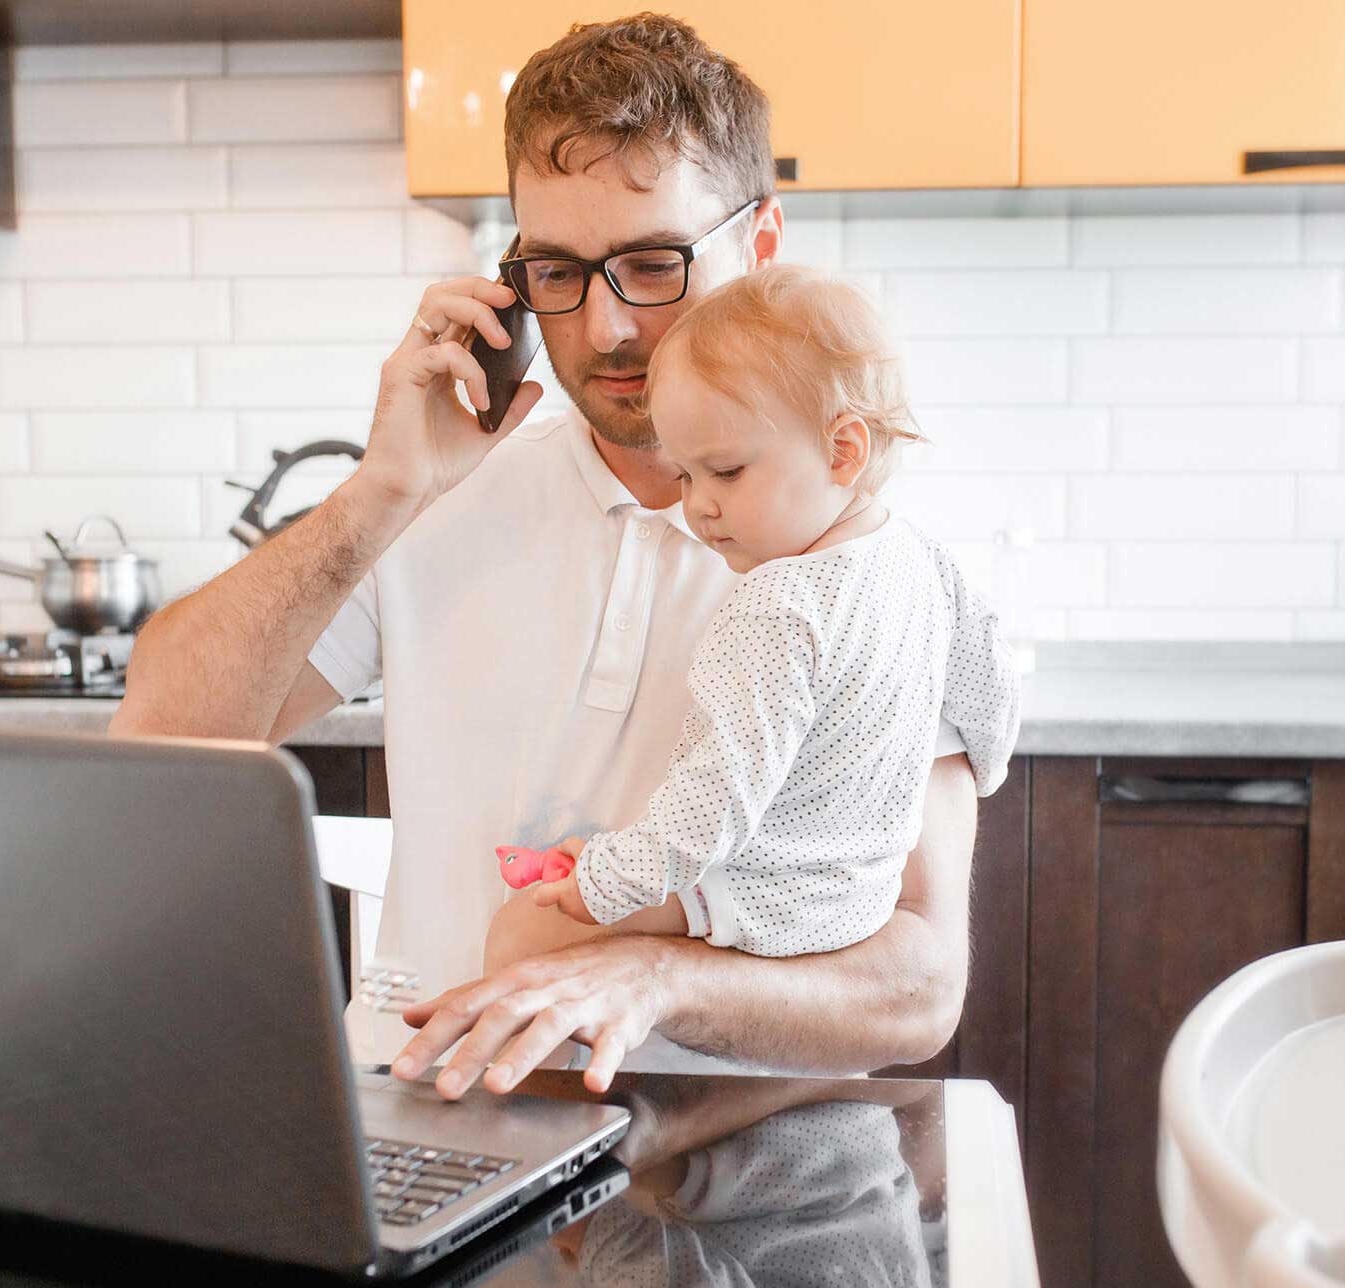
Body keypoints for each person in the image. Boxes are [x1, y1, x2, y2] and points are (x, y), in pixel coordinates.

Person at [108, 14, 981, 1099]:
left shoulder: (877, 565)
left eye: (654, 263)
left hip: (738, 1157)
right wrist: (381, 495)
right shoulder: (433, 501)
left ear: (760, 244)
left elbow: (920, 985)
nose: (607, 325)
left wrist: (652, 978)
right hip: (431, 1120)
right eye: (557, 272)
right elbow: (159, 737)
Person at [495, 266, 1019, 969]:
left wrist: (602, 880)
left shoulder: (776, 606)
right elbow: (992, 697)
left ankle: (495, 1079)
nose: (698, 505)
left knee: (524, 932)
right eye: (685, 475)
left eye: (727, 471)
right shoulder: (923, 559)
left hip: (772, 899)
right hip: (863, 898)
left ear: (844, 450)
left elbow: (718, 798)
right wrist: (985, 774)